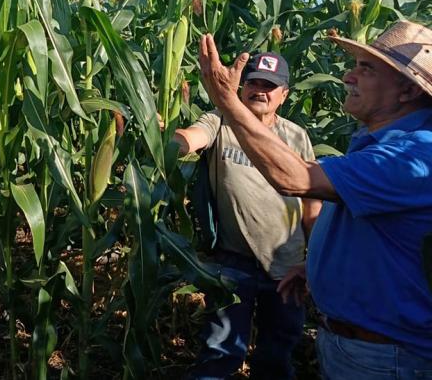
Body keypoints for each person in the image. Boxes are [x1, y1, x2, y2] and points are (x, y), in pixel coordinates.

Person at [197, 21, 432, 379]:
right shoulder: (380, 144)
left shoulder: (414, 155)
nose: (348, 78)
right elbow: (380, 232)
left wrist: (227, 100)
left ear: (406, 90)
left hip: (385, 359)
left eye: (365, 69)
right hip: (359, 347)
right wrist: (317, 267)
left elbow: (294, 179)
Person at [175, 52, 322, 379]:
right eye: (253, 82)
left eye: (270, 85)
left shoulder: (296, 136)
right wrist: (168, 141)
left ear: (283, 95)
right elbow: (189, 139)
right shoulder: (220, 121)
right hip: (232, 262)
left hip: (287, 265)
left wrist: (312, 260)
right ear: (240, 87)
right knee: (220, 351)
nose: (260, 90)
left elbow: (312, 202)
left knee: (278, 352)